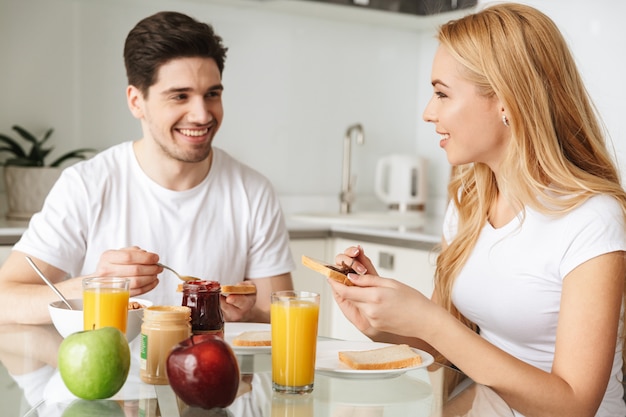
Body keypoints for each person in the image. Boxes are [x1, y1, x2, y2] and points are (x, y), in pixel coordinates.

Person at [329, 3, 626, 417]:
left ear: (506, 101)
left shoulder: (592, 219)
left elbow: (574, 404)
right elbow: (450, 345)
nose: (429, 113)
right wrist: (385, 316)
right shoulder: (468, 203)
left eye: (442, 93)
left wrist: (427, 320)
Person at [0, 11, 295, 325]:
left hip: (209, 371)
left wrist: (249, 312)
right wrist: (97, 287)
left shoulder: (252, 192)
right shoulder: (86, 185)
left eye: (212, 94)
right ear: (136, 101)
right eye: (179, 96)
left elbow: (283, 318)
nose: (202, 114)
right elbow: (5, 299)